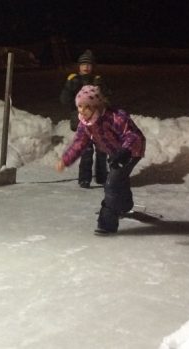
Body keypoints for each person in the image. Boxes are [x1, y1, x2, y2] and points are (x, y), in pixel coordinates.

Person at [56, 85, 146, 234]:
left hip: (131, 151)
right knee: (119, 179)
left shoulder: (116, 117)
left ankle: (107, 224)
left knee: (112, 183)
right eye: (79, 106)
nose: (82, 111)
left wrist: (125, 151)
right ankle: (124, 205)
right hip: (114, 151)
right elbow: (79, 143)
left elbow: (133, 136)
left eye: (87, 107)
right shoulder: (85, 123)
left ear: (97, 106)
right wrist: (65, 160)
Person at [59, 49, 111, 188]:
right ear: (79, 66)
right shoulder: (74, 80)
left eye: (89, 64)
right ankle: (84, 179)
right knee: (86, 151)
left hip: (99, 122)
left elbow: (107, 100)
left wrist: (102, 89)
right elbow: (64, 101)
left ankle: (102, 177)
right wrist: (69, 87)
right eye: (83, 64)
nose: (86, 67)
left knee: (102, 151)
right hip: (82, 123)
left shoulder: (97, 80)